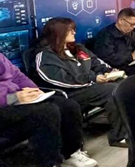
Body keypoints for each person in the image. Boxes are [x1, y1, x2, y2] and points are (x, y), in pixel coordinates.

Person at [2, 52, 98, 167]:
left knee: (68, 105)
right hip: (5, 104)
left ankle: (69, 153)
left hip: (15, 100)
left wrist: (35, 91)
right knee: (44, 113)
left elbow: (17, 75)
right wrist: (12, 98)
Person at [35, 18, 125, 146]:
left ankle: (129, 128)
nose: (74, 33)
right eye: (70, 30)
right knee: (111, 90)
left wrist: (110, 72)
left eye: (74, 29)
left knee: (123, 83)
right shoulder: (45, 55)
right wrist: (92, 78)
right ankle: (118, 137)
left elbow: (96, 62)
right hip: (71, 92)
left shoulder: (78, 48)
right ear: (58, 33)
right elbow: (60, 79)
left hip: (90, 86)